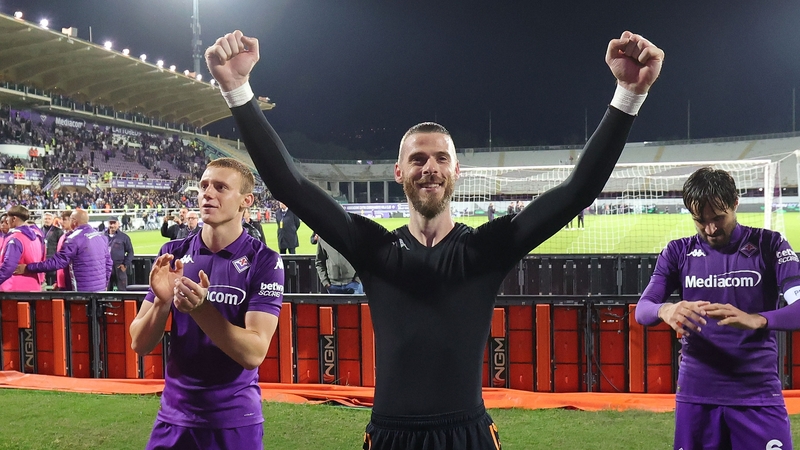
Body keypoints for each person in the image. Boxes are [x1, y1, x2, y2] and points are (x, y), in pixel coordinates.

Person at [208, 28, 663, 450]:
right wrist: (237, 89)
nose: (430, 168)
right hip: (389, 435)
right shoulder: (375, 250)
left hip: (468, 435)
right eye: (419, 158)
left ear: (456, 171)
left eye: (442, 158)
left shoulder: (486, 250)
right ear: (399, 172)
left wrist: (630, 95)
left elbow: (577, 192)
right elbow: (291, 186)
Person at [635, 167, 800, 450]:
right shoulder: (678, 252)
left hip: (757, 395)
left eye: (718, 218)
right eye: (700, 220)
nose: (710, 229)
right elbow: (643, 309)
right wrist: (666, 310)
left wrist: (758, 319)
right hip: (697, 396)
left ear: (735, 202)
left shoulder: (769, 245)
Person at [129, 157, 284, 450]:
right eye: (203, 186)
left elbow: (254, 353)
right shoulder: (173, 253)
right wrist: (162, 304)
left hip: (234, 421)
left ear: (245, 201)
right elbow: (139, 343)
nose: (207, 193)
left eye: (221, 187)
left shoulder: (264, 261)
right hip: (173, 418)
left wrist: (200, 309)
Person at [17, 209, 112, 292]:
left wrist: (29, 268)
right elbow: (109, 263)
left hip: (81, 293)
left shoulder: (73, 238)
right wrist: (104, 284)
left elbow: (57, 262)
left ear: (74, 221)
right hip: (99, 290)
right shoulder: (101, 236)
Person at [0, 206, 45, 291]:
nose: (6, 220)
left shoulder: (16, 238)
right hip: (33, 286)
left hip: (15, 289)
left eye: (8, 218)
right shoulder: (35, 237)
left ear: (14, 219)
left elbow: (8, 267)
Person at [105, 217, 134, 291]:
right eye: (111, 223)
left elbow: (130, 252)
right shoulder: (102, 236)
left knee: (122, 291)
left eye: (114, 223)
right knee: (106, 292)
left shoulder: (124, 237)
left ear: (118, 224)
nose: (112, 225)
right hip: (105, 267)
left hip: (119, 267)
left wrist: (125, 264)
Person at [41, 212, 64, 286]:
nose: (47, 220)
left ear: (53, 220)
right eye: (45, 219)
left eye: (49, 219)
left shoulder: (58, 231)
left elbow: (61, 247)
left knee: (52, 281)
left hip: (53, 259)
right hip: (42, 260)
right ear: (43, 220)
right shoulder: (39, 231)